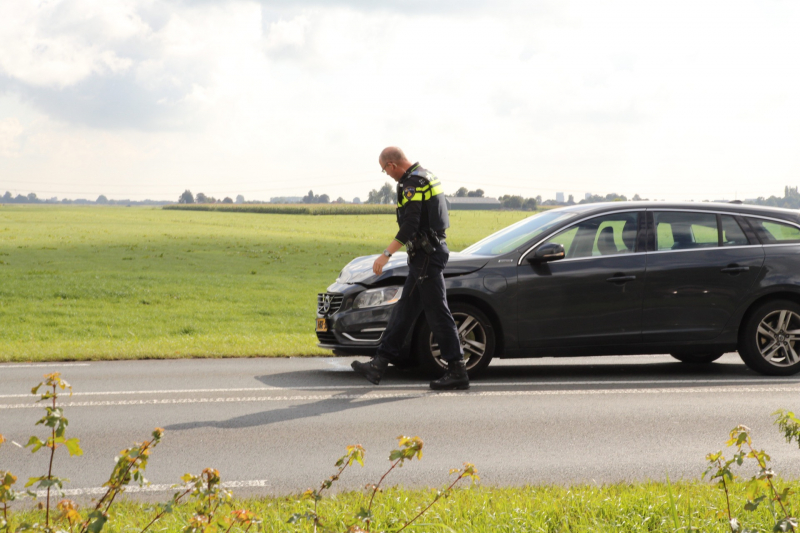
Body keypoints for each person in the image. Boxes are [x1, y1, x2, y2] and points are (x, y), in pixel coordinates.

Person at [351, 147, 469, 390]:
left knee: (437, 312)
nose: (387, 175)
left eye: (385, 170)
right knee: (404, 311)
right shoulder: (427, 175)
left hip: (426, 256)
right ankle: (379, 364)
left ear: (392, 164)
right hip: (426, 254)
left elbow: (411, 224)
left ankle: (457, 369)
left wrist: (386, 254)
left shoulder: (412, 183)